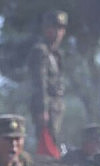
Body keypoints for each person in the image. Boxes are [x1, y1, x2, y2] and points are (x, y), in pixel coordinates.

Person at [28, 10, 67, 148]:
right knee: (46, 144)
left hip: (56, 106)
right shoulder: (41, 51)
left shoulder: (56, 54)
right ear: (45, 29)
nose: (57, 32)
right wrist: (42, 109)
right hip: (47, 106)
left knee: (54, 143)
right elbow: (40, 82)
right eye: (53, 27)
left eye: (61, 28)